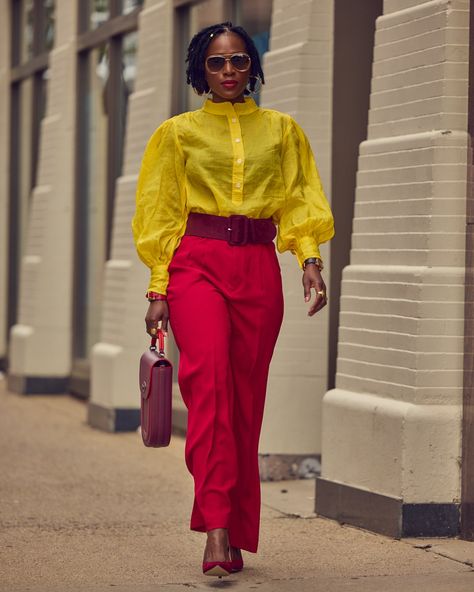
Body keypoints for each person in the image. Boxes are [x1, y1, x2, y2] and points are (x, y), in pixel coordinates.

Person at [132, 22, 334, 578]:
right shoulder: (176, 134)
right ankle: (217, 531)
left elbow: (298, 200)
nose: (228, 71)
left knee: (245, 403)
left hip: (257, 268)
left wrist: (310, 260)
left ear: (253, 67)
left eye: (239, 61)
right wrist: (158, 287)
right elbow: (161, 212)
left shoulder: (283, 130)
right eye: (217, 63)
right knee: (211, 389)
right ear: (200, 69)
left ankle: (234, 527)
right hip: (195, 264)